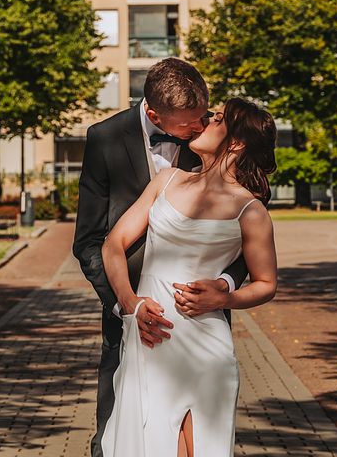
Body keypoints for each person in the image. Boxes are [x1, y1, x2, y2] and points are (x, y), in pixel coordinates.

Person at [74, 58, 248, 457]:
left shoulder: (213, 138)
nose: (200, 126)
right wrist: (127, 305)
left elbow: (241, 233)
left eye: (204, 116)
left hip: (199, 319)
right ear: (154, 115)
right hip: (129, 313)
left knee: (198, 440)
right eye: (189, 123)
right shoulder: (104, 138)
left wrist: (224, 286)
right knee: (114, 437)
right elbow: (89, 241)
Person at [100, 97, 278, 456]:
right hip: (150, 338)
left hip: (204, 348)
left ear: (237, 143)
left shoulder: (250, 209)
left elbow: (266, 284)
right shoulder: (167, 180)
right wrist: (131, 303)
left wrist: (226, 298)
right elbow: (113, 244)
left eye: (218, 118)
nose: (207, 119)